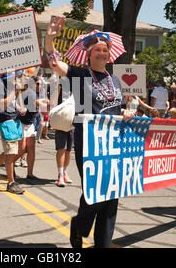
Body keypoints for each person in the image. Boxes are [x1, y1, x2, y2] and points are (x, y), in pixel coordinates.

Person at [45, 16, 134, 248]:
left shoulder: (115, 79)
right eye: (97, 50)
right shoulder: (80, 75)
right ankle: (79, 226)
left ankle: (103, 243)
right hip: (89, 143)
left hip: (115, 143)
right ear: (89, 54)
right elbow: (55, 64)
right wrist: (49, 41)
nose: (102, 53)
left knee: (112, 194)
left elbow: (120, 107)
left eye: (105, 50)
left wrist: (127, 112)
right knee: (94, 193)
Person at [0, 72, 27, 194]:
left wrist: (20, 109)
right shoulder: (1, 85)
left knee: (11, 152)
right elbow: (2, 104)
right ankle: (11, 183)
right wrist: (14, 91)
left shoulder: (11, 86)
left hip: (14, 119)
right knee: (11, 152)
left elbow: (13, 103)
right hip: (5, 120)